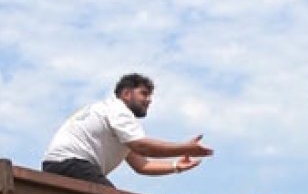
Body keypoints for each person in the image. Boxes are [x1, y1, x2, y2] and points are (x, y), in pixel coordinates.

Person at [42, 73, 212, 187]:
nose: (149, 100)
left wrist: (176, 165)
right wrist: (187, 148)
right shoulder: (119, 110)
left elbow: (142, 165)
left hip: (58, 165)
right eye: (144, 94)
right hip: (72, 163)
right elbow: (142, 147)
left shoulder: (110, 116)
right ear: (126, 94)